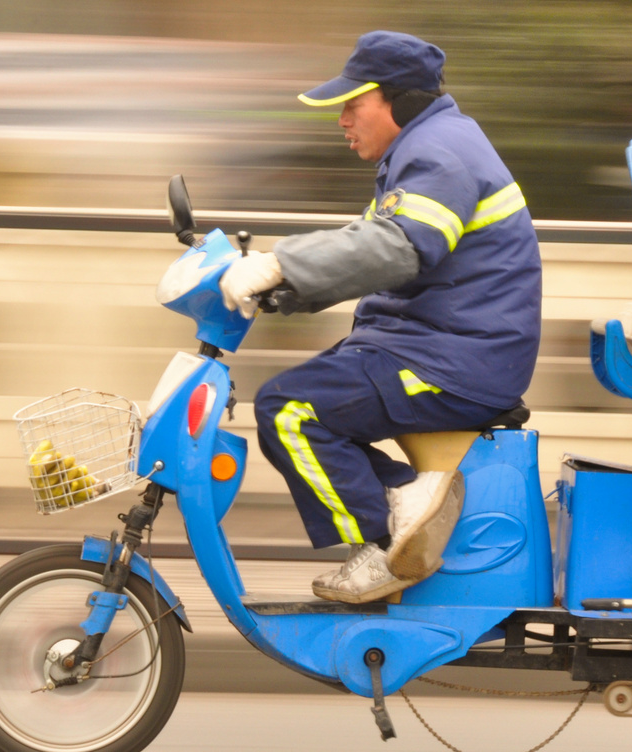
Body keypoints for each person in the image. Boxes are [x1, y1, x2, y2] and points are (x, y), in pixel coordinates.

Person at [220, 31, 542, 604]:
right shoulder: (430, 149)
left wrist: (280, 262)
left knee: (290, 411)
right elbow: (371, 251)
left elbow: (398, 248)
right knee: (300, 400)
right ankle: (405, 500)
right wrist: (285, 286)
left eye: (353, 104)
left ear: (401, 101)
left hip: (454, 362)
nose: (343, 119)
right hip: (431, 347)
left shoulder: (439, 152)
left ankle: (387, 539)